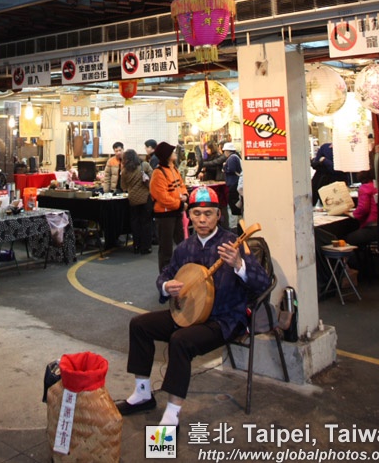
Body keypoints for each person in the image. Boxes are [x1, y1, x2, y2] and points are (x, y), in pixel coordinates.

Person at [116, 186, 271, 429]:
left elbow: (263, 283)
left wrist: (239, 264)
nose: (202, 219)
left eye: (208, 214)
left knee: (180, 341)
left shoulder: (233, 244)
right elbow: (165, 274)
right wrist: (166, 286)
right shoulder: (185, 247)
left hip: (223, 319)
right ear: (189, 215)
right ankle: (143, 393)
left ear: (218, 215)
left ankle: (172, 413)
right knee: (140, 325)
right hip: (189, 313)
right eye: (197, 213)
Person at [149, 142, 188, 271]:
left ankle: (182, 271)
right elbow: (162, 197)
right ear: (167, 155)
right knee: (166, 249)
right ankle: (165, 275)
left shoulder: (173, 168)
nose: (175, 153)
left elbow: (181, 185)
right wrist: (180, 204)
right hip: (164, 215)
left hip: (175, 212)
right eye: (172, 152)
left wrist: (185, 195)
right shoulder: (158, 173)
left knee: (182, 244)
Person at [346, 166, 379, 280]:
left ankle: (358, 270)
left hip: (372, 227)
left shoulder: (365, 188)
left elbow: (363, 209)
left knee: (348, 239)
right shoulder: (377, 185)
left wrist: (352, 214)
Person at [121, 148, 153, 254]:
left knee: (135, 223)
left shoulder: (125, 171)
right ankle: (146, 247)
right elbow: (153, 178)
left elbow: (123, 186)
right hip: (146, 198)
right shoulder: (145, 165)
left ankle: (136, 245)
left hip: (133, 199)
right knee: (146, 223)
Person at [222, 142, 242, 217]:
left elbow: (231, 169)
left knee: (233, 202)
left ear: (227, 151)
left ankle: (234, 220)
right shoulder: (235, 157)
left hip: (233, 183)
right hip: (234, 183)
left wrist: (224, 168)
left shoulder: (232, 158)